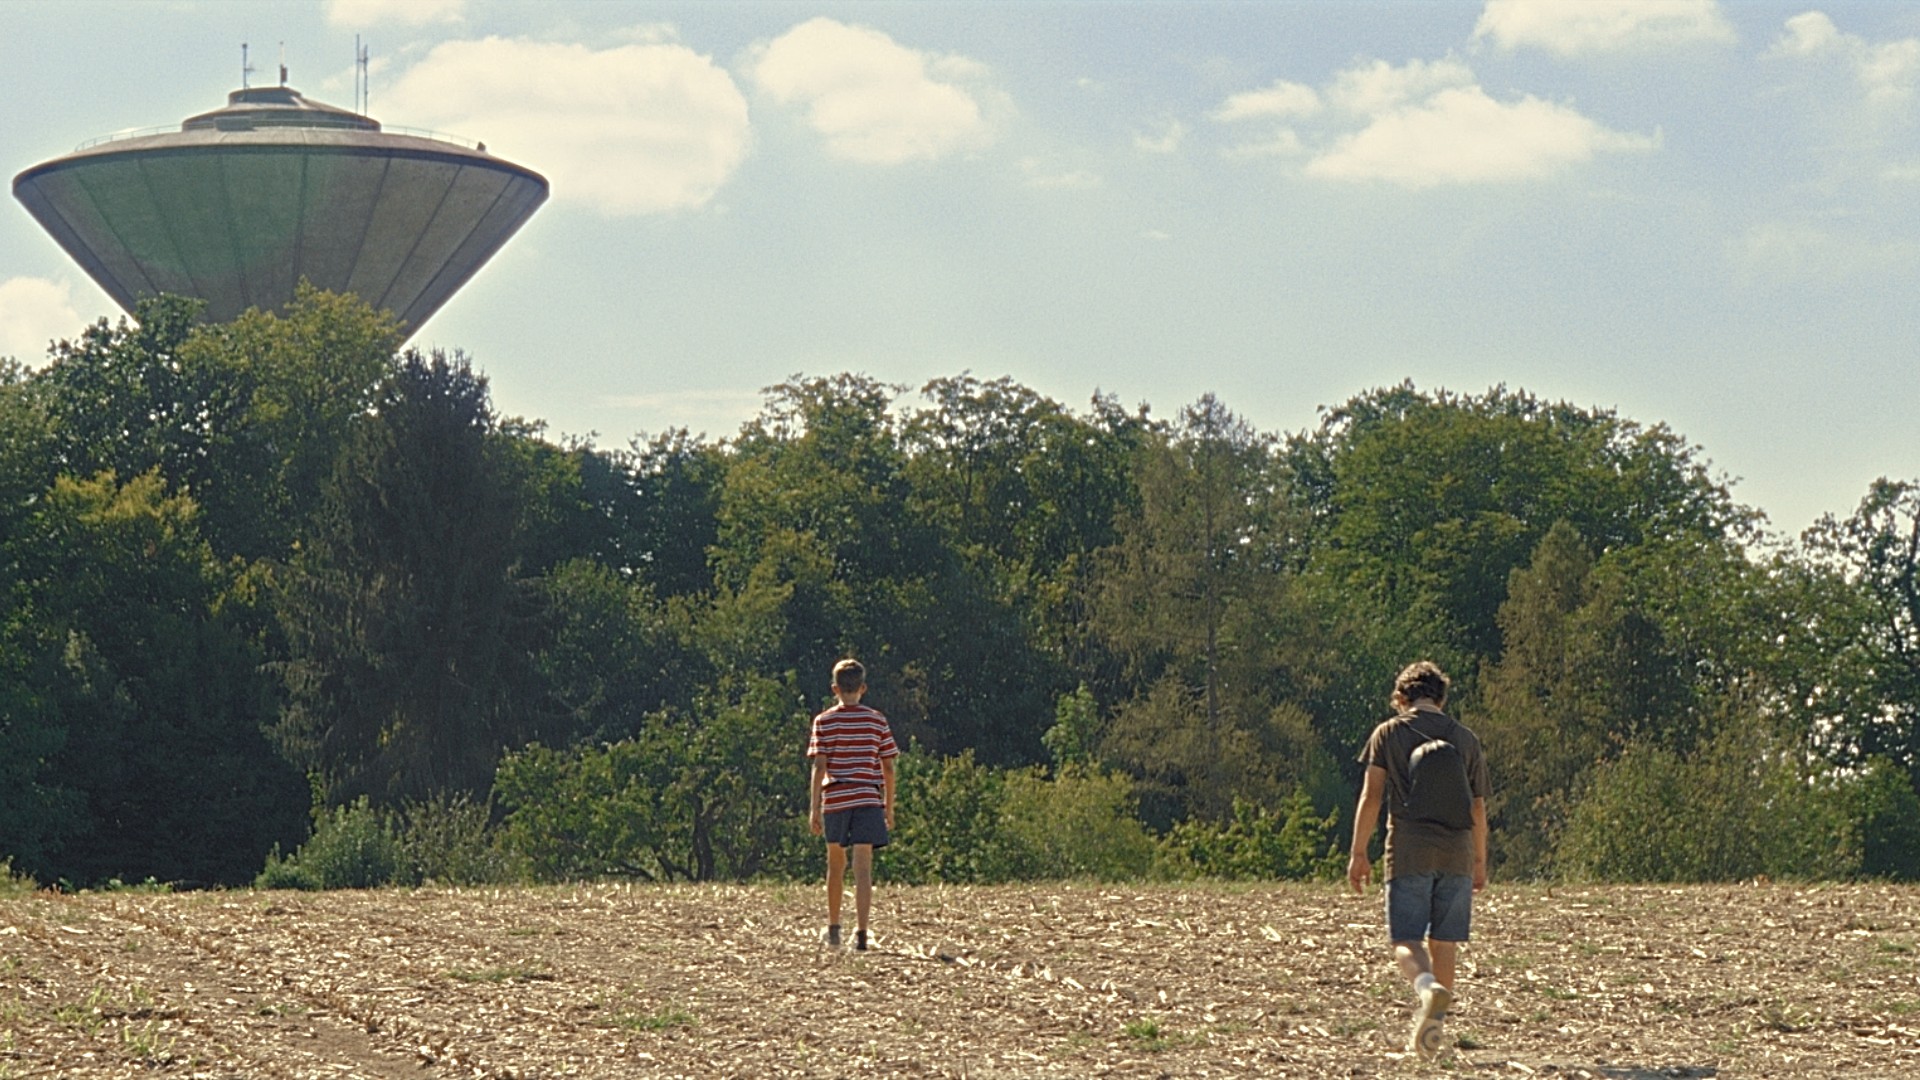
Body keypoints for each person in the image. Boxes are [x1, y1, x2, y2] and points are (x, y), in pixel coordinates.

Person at [1346, 660, 1490, 1061]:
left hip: (1409, 849)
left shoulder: (1388, 733)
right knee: (1445, 942)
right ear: (1441, 698)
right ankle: (1433, 1035)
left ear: (1400, 698)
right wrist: (1480, 860)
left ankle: (1428, 989)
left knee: (1406, 939)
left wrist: (1359, 852)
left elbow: (1372, 796)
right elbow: (1478, 808)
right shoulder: (1466, 739)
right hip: (1458, 852)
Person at [807, 658, 898, 951]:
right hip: (868, 799)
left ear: (834, 688)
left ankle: (834, 929)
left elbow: (819, 766)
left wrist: (814, 807)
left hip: (836, 799)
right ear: (863, 688)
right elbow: (888, 767)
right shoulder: (876, 720)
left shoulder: (824, 721)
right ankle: (861, 934)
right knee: (863, 869)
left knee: (836, 865)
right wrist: (888, 806)